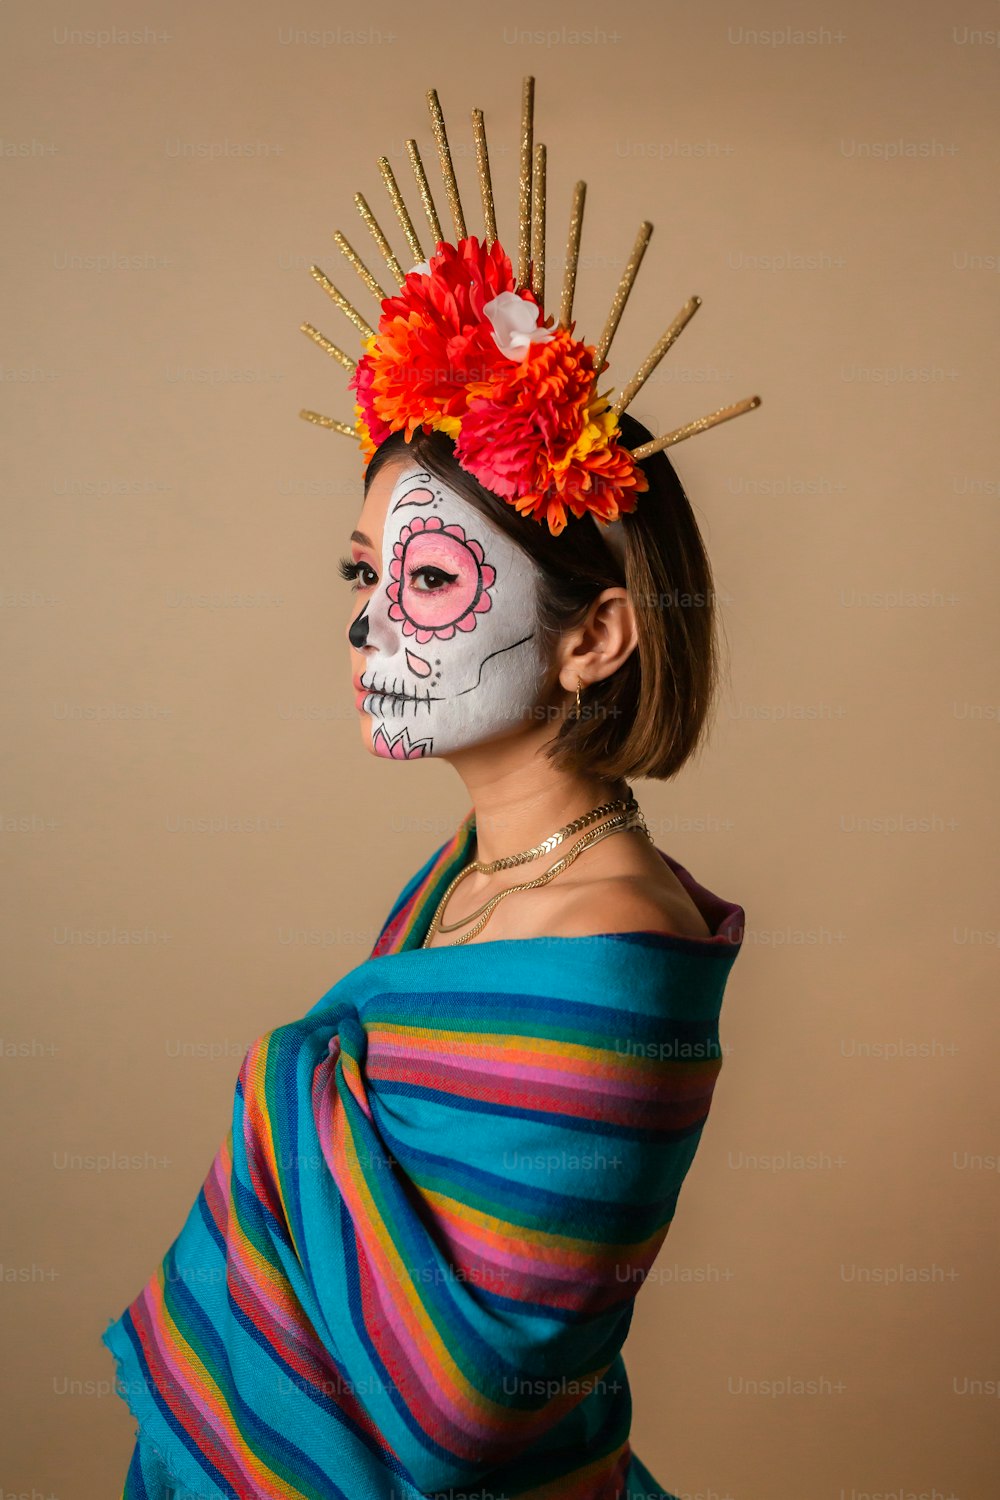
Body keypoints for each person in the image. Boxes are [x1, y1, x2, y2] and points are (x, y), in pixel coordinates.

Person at [102, 78, 755, 1500]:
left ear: (594, 635)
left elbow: (468, 1413)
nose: (367, 624)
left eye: (432, 579)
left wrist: (288, 1089)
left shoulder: (615, 955)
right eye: (362, 573)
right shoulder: (480, 870)